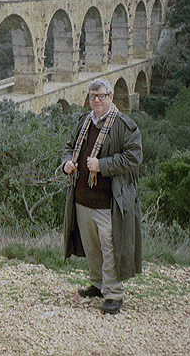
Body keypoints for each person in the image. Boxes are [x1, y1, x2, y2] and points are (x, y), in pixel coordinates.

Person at [61, 78, 143, 315]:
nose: (96, 100)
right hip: (82, 198)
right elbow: (69, 146)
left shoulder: (125, 126)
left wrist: (102, 165)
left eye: (101, 96)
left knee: (110, 247)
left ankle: (114, 294)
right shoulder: (84, 122)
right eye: (93, 96)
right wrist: (67, 162)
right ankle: (98, 284)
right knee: (92, 246)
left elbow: (133, 159)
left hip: (108, 202)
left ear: (111, 97)